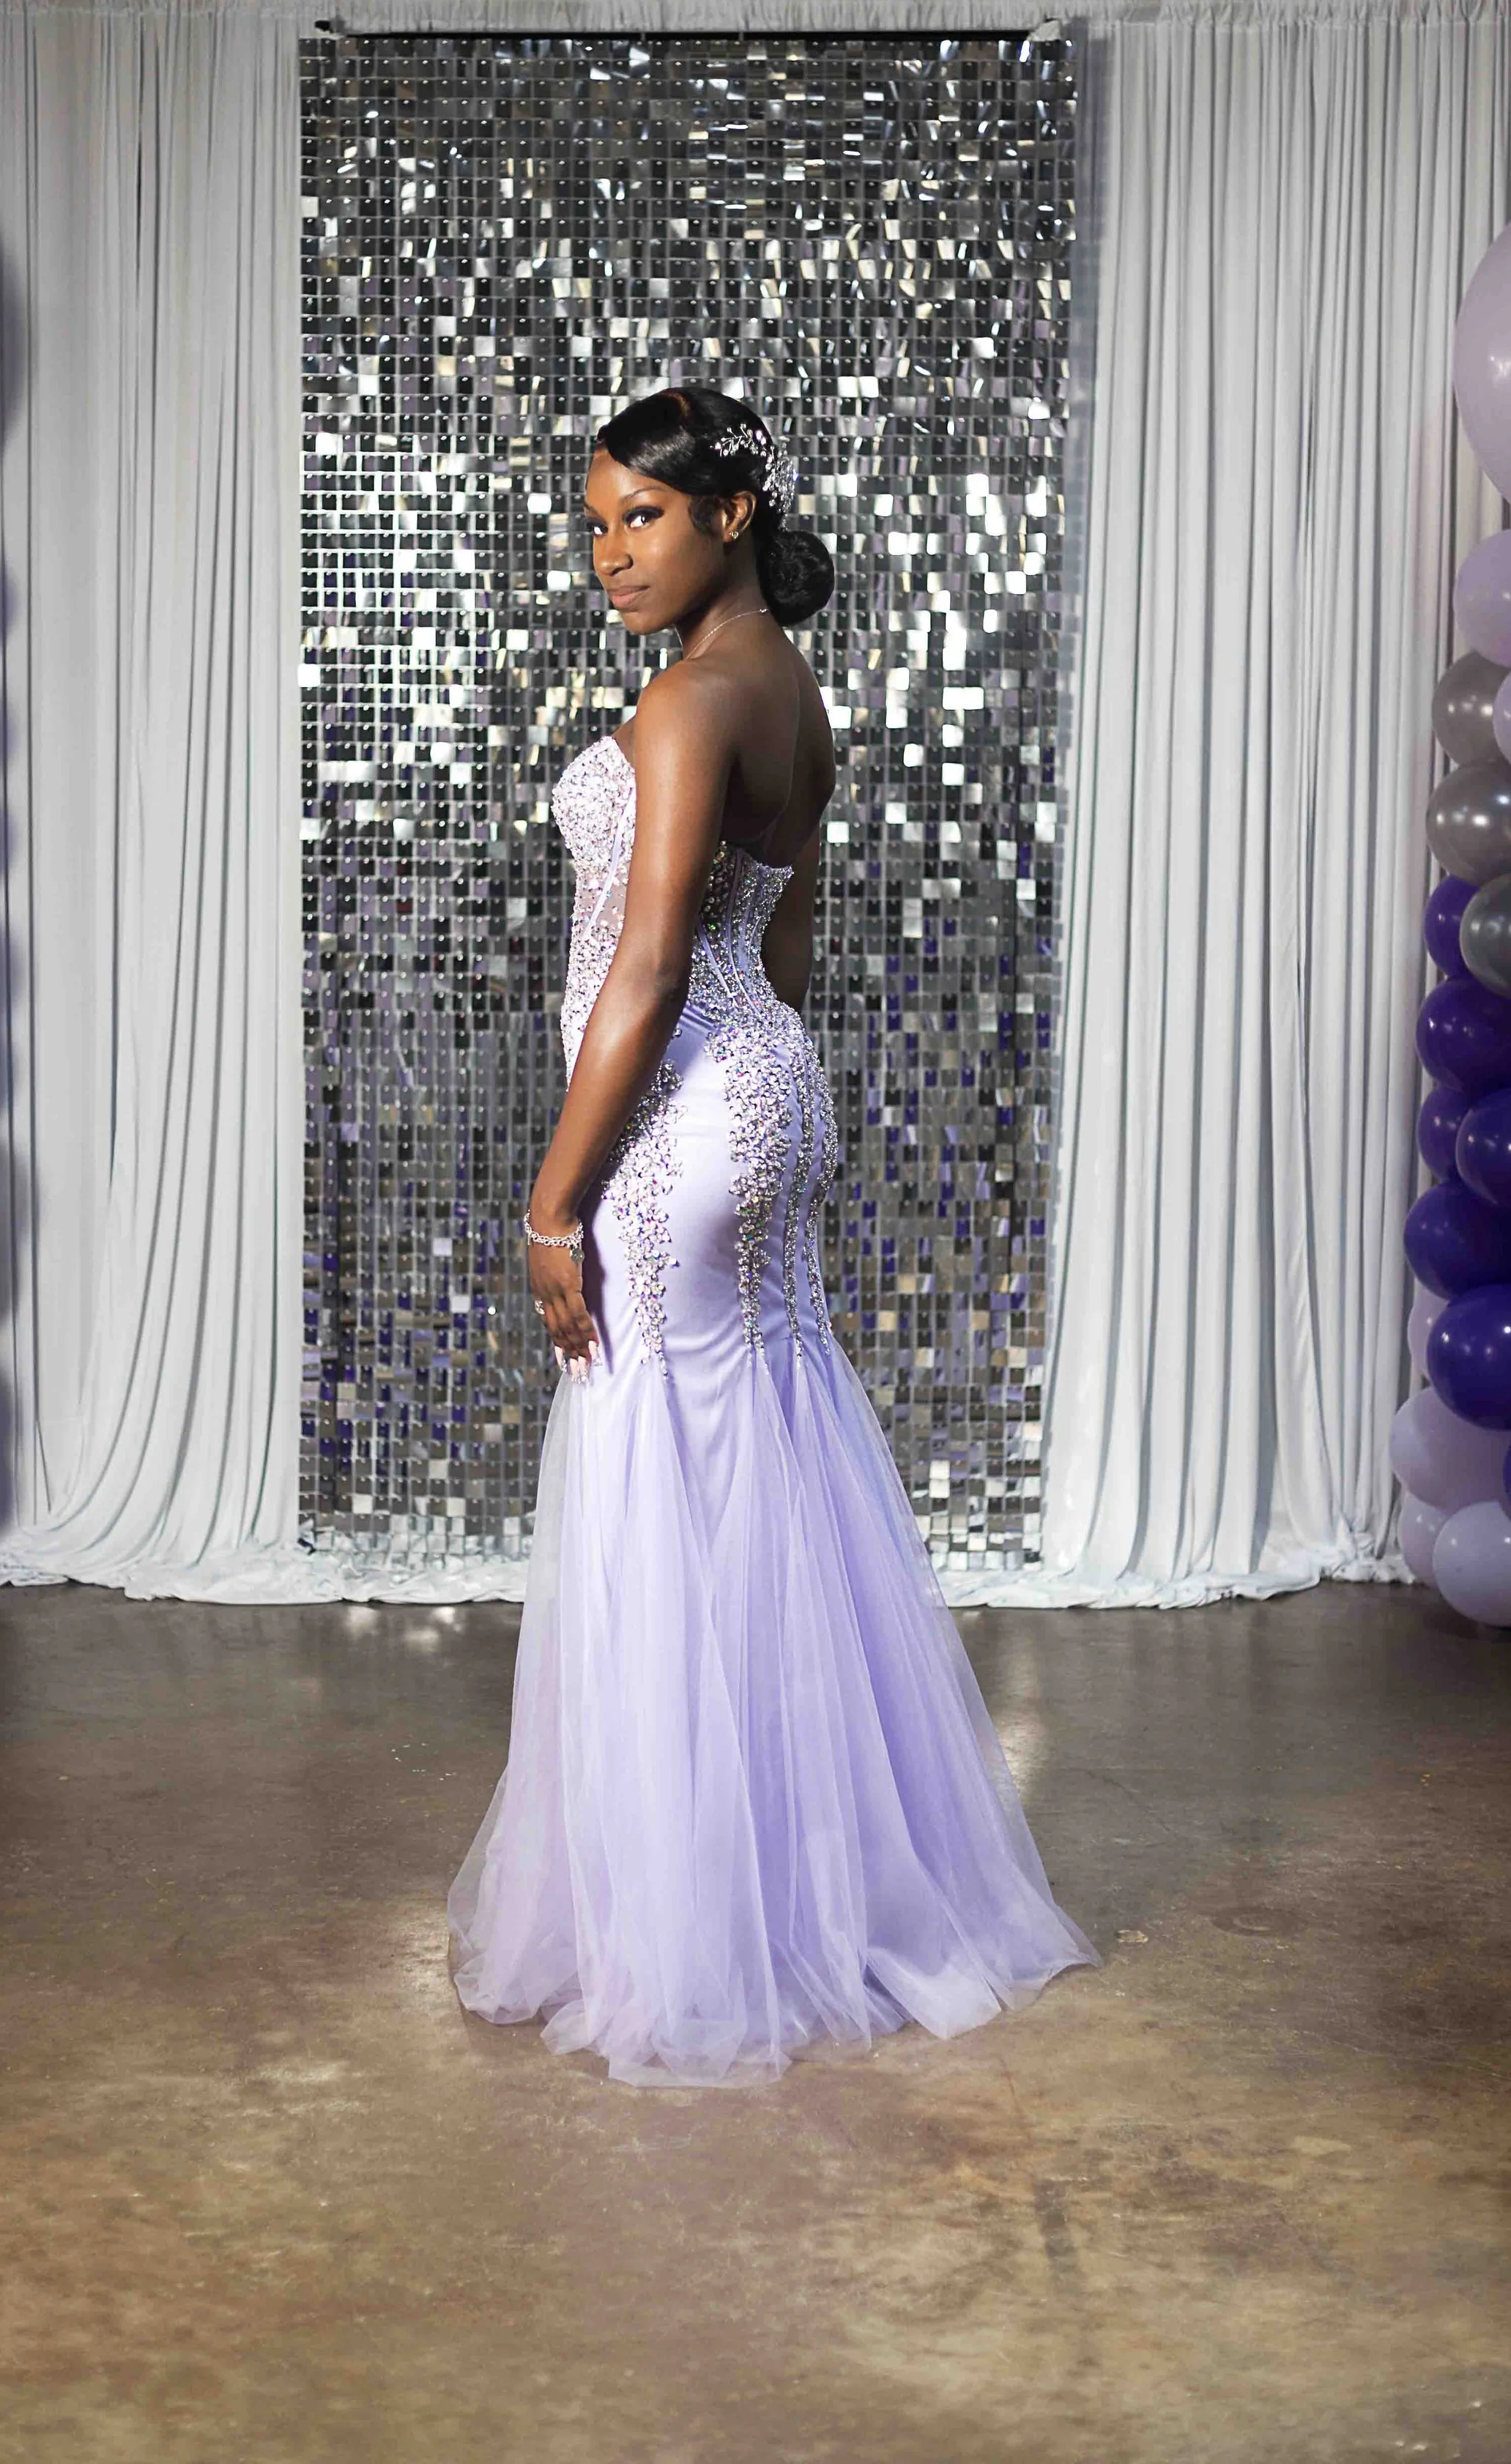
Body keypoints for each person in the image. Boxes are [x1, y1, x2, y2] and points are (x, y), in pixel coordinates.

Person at [448, 385, 1099, 2086]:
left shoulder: (683, 708)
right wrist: (765, 1109)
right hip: (767, 1091)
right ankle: (813, 1882)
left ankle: (690, 1929)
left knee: (655, 1461)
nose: (608, 553)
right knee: (768, 1456)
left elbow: (648, 973)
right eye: (591, 524)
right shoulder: (785, 694)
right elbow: (777, 950)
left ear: (730, 513)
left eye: (640, 519)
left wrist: (552, 1203)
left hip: (681, 1114)